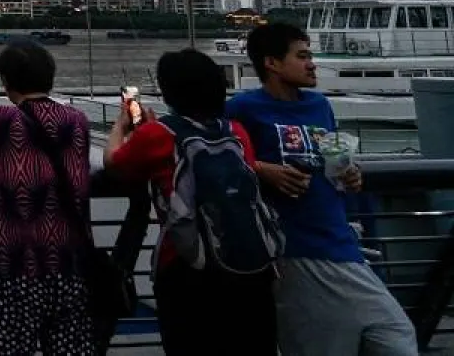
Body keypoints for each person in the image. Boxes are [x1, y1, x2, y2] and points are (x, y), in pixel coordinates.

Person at [227, 23, 418, 356]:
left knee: (396, 337)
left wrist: (350, 174)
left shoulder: (319, 106)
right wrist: (261, 169)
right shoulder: (243, 109)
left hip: (343, 244)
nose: (312, 63)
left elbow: (331, 158)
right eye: (302, 56)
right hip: (294, 250)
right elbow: (216, 162)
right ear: (271, 63)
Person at [105, 48, 276, 355]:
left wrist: (121, 126)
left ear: (169, 91)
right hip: (249, 266)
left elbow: (114, 162)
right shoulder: (236, 131)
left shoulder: (158, 134)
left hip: (186, 268)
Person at [0, 39, 93, 356]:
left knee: (7, 349)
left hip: (13, 265)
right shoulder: (76, 120)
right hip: (70, 264)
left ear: (7, 82)